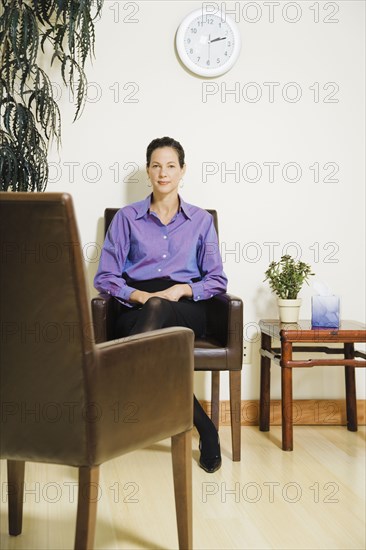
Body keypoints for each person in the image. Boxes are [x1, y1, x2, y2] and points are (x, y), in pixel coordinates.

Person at [94, 136, 228, 473]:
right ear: (148, 170)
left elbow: (216, 280)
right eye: (156, 165)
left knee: (160, 310)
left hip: (185, 309)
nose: (163, 172)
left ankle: (116, 408)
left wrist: (182, 289)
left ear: (183, 171)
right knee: (153, 312)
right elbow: (106, 277)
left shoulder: (200, 221)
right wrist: (141, 296)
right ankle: (206, 429)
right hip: (136, 309)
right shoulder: (126, 219)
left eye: (171, 166)